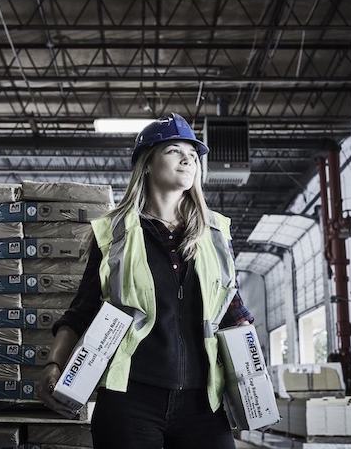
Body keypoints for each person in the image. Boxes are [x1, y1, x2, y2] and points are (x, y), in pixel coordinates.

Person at [37, 113, 254, 449]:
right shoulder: (114, 233)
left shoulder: (215, 234)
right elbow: (82, 309)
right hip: (131, 400)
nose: (188, 159)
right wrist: (54, 363)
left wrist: (255, 381)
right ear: (147, 163)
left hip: (203, 403)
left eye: (194, 155)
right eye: (174, 150)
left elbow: (233, 311)